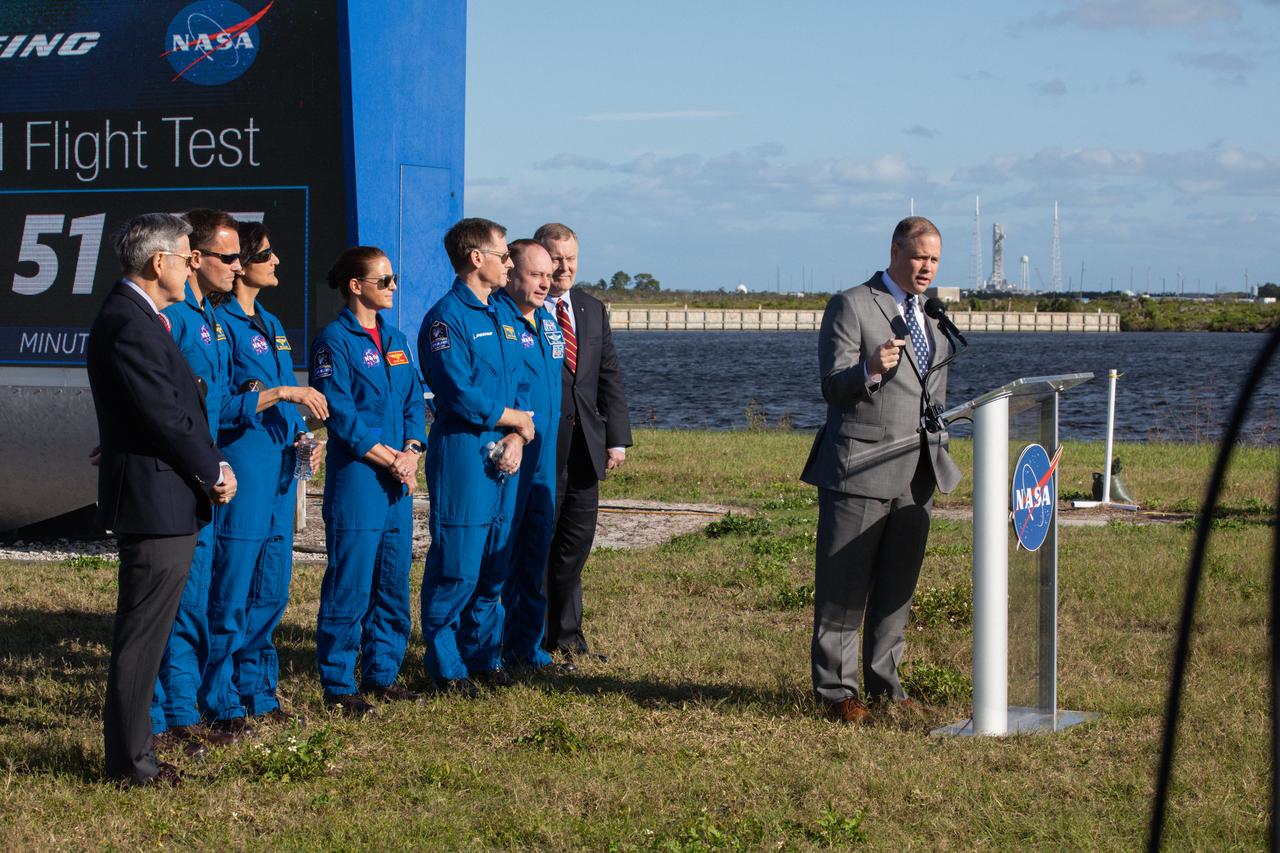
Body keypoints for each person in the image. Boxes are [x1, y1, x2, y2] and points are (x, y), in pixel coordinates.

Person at [87, 212, 235, 786]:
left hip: (162, 494)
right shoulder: (130, 320)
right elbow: (165, 416)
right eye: (186, 254)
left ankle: (135, 752)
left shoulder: (143, 318)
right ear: (159, 263)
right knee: (143, 636)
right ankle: (130, 763)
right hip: (155, 499)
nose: (191, 263)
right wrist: (214, 468)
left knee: (147, 632)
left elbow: (154, 405)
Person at [800, 216, 962, 724]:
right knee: (844, 587)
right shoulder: (852, 304)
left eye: (934, 260)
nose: (927, 268)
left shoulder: (933, 316)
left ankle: (885, 683)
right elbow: (831, 385)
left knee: (897, 588)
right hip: (860, 466)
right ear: (894, 251)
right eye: (919, 257)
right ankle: (836, 692)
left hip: (918, 471)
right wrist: (869, 370)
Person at [205, 220, 328, 732]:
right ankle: (219, 697)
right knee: (232, 589)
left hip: (280, 475)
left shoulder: (272, 325)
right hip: (246, 475)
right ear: (242, 266)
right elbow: (220, 405)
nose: (277, 262)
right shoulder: (219, 325)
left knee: (272, 590)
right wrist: (283, 396)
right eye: (268, 254)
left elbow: (278, 391)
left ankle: (258, 689)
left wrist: (302, 435)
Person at [148, 208, 258, 755]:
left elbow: (209, 404)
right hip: (182, 476)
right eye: (229, 257)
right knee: (175, 601)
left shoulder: (210, 318)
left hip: (206, 474)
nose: (238, 268)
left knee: (196, 601)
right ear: (196, 258)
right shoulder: (175, 319)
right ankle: (164, 718)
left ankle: (183, 709)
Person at [418, 218, 533, 695]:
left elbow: (522, 383)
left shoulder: (504, 315)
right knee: (459, 562)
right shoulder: (447, 319)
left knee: (494, 562)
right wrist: (512, 419)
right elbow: (458, 393)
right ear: (475, 258)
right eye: (504, 254)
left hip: (506, 450)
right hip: (465, 452)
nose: (510, 263)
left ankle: (483, 655)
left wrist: (519, 437)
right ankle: (446, 666)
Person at [310, 246, 425, 717]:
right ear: (356, 286)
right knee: (351, 582)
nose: (394, 287)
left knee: (393, 580)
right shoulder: (333, 341)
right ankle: (338, 682)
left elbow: (415, 401)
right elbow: (342, 414)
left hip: (398, 479)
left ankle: (383, 674)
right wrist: (390, 459)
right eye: (385, 280)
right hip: (359, 478)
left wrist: (413, 452)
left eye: (394, 278)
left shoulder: (395, 338)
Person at [536, 223, 632, 664]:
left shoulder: (591, 309)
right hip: (542, 446)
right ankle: (532, 636)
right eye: (557, 258)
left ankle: (569, 637)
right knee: (540, 541)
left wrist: (617, 439)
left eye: (571, 258)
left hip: (587, 445)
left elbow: (608, 376)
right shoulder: (526, 310)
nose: (565, 267)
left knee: (576, 543)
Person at [485, 240, 564, 672]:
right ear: (511, 271)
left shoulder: (548, 321)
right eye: (536, 275)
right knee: (499, 553)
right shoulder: (495, 319)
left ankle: (526, 647)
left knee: (535, 553)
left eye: (548, 276)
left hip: (544, 461)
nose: (545, 283)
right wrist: (515, 432)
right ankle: (487, 648)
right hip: (509, 454)